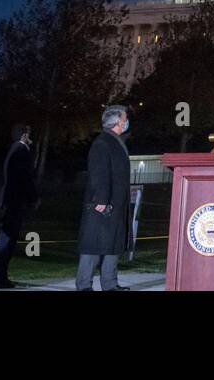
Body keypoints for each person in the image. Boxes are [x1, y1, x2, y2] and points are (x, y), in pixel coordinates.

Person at [76, 105, 132, 291]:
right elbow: (99, 172)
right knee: (93, 245)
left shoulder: (115, 140)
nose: (126, 121)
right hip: (103, 203)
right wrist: (101, 199)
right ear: (116, 121)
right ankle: (84, 285)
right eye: (124, 118)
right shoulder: (103, 142)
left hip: (115, 202)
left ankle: (110, 283)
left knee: (112, 243)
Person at [0, 123, 38, 288]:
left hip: (12, 201)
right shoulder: (20, 150)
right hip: (14, 202)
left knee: (8, 239)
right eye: (28, 132)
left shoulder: (16, 149)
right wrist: (33, 198)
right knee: (7, 240)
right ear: (23, 134)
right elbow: (24, 178)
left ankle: (0, 276)